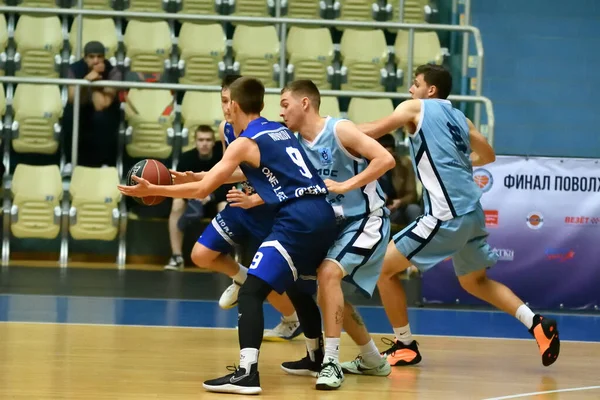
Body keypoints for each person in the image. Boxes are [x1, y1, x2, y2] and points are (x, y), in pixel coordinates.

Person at [118, 77, 338, 395]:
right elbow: (240, 170)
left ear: (234, 105)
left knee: (250, 293)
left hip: (296, 219)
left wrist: (155, 189)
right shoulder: (275, 130)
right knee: (299, 288)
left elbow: (203, 191)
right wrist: (198, 175)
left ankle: (247, 374)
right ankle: (317, 357)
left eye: (226, 103)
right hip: (321, 213)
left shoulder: (244, 141)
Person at [339, 63, 560, 371]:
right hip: (471, 212)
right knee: (476, 282)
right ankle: (536, 323)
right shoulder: (460, 117)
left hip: (446, 214)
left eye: (415, 83)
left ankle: (404, 346)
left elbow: (373, 131)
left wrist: (331, 129)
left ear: (430, 90)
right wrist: (460, 162)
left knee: (382, 270)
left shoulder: (416, 107)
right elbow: (489, 155)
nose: (410, 89)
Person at [171, 75, 302, 340]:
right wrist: (201, 176)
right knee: (200, 255)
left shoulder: (266, 132)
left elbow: (285, 181)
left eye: (228, 101)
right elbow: (232, 168)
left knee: (267, 278)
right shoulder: (226, 129)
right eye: (222, 101)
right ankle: (240, 277)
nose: (225, 107)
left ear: (239, 103)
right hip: (241, 203)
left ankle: (292, 320)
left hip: (268, 206)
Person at [165, 125, 227, 271]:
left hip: (214, 199)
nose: (204, 143)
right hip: (192, 200)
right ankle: (176, 257)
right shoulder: (186, 159)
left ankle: (221, 256)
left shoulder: (222, 157)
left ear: (213, 142)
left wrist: (210, 196)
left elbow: (228, 186)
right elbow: (179, 187)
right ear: (195, 142)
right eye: (200, 140)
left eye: (208, 140)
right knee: (177, 203)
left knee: (225, 206)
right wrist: (194, 195)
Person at [63, 41, 122, 169]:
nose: (96, 61)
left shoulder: (113, 72)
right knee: (70, 113)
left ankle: (105, 162)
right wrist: (86, 81)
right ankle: (70, 162)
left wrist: (96, 82)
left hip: (104, 111)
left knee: (102, 116)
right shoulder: (74, 69)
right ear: (85, 58)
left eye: (99, 57)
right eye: (91, 57)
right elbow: (73, 98)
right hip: (82, 108)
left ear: (104, 58)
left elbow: (101, 104)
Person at [376, 134, 423, 225]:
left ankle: (416, 238)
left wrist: (400, 202)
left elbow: (412, 195)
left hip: (397, 208)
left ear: (394, 152)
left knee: (414, 210)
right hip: (376, 210)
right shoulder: (367, 165)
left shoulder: (405, 164)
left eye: (389, 154)